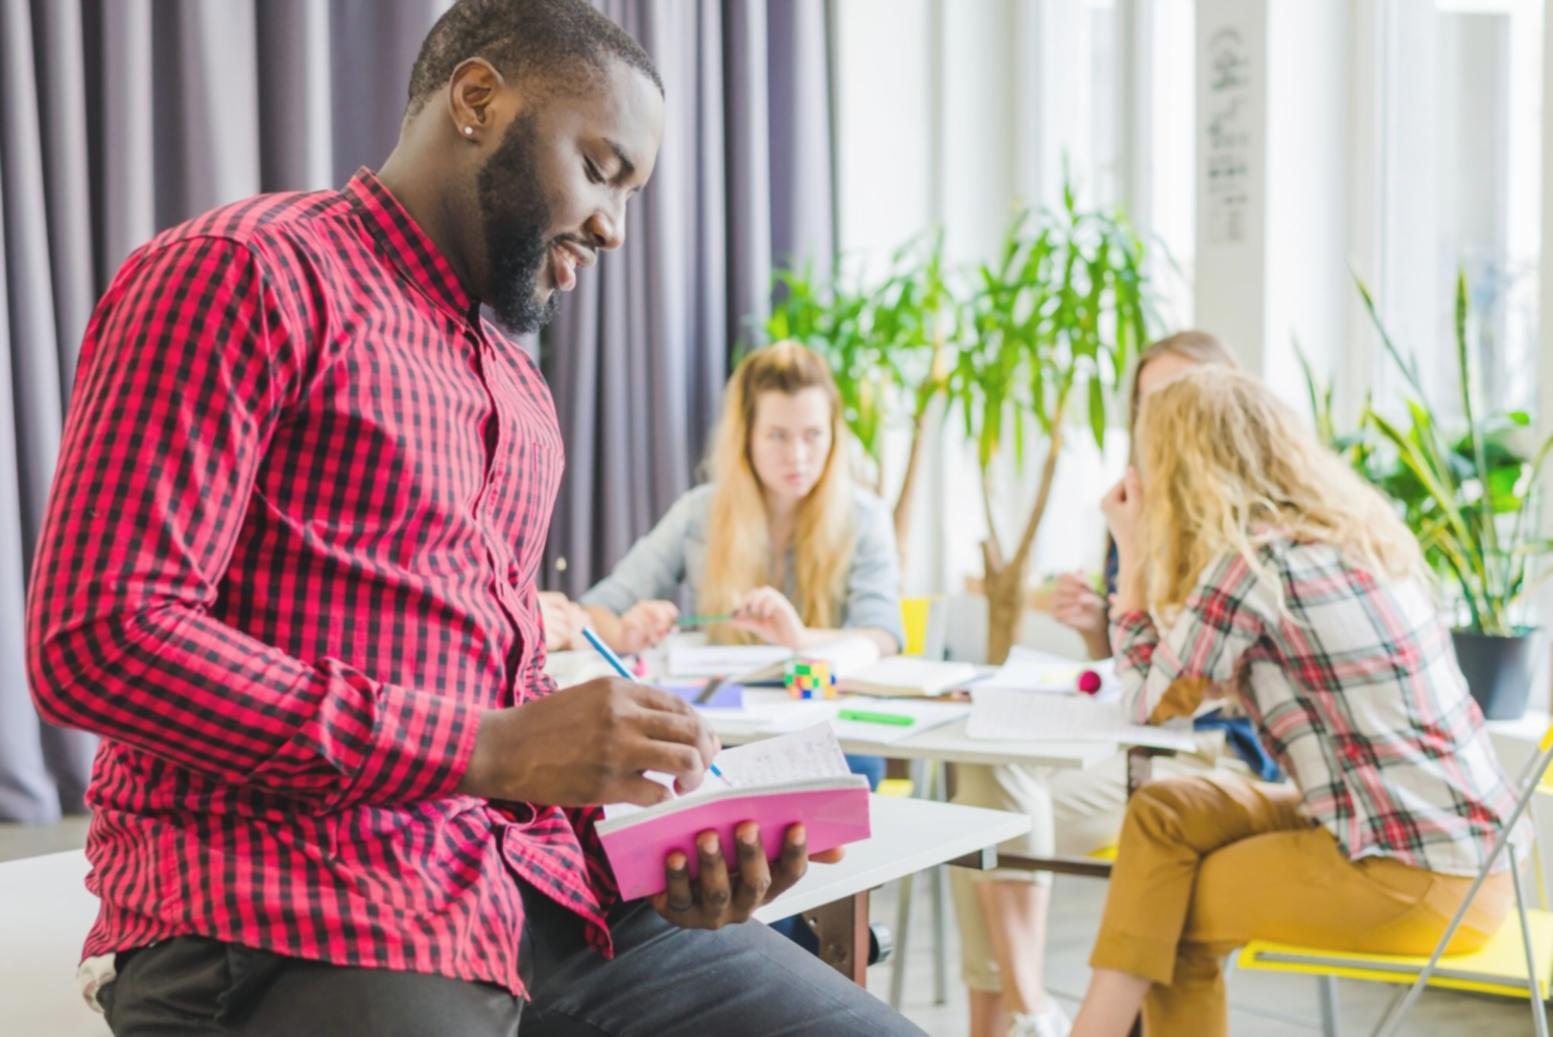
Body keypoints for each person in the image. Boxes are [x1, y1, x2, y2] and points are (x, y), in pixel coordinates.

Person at [24, 3, 923, 1034]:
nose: (613, 227)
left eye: (631, 193)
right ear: (479, 99)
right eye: (600, 167)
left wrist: (650, 833)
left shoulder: (518, 391)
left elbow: (498, 698)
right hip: (283, 906)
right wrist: (486, 747)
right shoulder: (244, 273)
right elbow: (98, 638)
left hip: (528, 889)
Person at [1068, 367, 1523, 1037]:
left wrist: (1131, 552)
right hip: (1468, 853)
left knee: (1170, 917)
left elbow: (1148, 701)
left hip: (1414, 877)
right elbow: (1187, 684)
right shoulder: (1347, 537)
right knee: (1164, 811)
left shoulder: (1252, 565)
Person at [948, 331, 1251, 1037]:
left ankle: (1018, 1019)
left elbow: (1190, 686)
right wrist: (1097, 627)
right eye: (1147, 403)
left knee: (991, 812)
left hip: (1207, 752)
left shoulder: (1232, 516)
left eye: (1179, 397)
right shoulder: (1134, 500)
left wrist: (1139, 557)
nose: (1161, 419)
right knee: (981, 798)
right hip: (1130, 740)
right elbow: (1135, 669)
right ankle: (1021, 1013)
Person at [579, 339, 904, 792]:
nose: (798, 456)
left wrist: (800, 640)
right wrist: (623, 631)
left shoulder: (864, 517)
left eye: (813, 434)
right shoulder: (699, 513)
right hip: (721, 742)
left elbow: (885, 635)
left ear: (834, 434)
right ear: (746, 437)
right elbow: (593, 612)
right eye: (778, 435)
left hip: (834, 744)